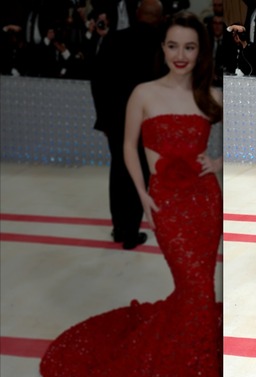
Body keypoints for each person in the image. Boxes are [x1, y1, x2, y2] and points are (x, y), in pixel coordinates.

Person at [39, 10, 223, 377]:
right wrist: (143, 196)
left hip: (204, 201)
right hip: (166, 204)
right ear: (163, 48)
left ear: (200, 51)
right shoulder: (143, 92)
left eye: (190, 47)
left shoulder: (206, 95)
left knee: (202, 286)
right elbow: (127, 148)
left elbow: (227, 136)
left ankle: (197, 364)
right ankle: (186, 364)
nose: (181, 54)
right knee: (192, 285)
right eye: (173, 45)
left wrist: (217, 161)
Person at [90, 0, 163, 249]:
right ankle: (131, 233)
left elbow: (97, 80)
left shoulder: (113, 39)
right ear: (160, 18)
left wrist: (104, 117)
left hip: (115, 121)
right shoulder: (163, 46)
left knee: (118, 172)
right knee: (139, 174)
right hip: (146, 124)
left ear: (138, 14)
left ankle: (119, 228)